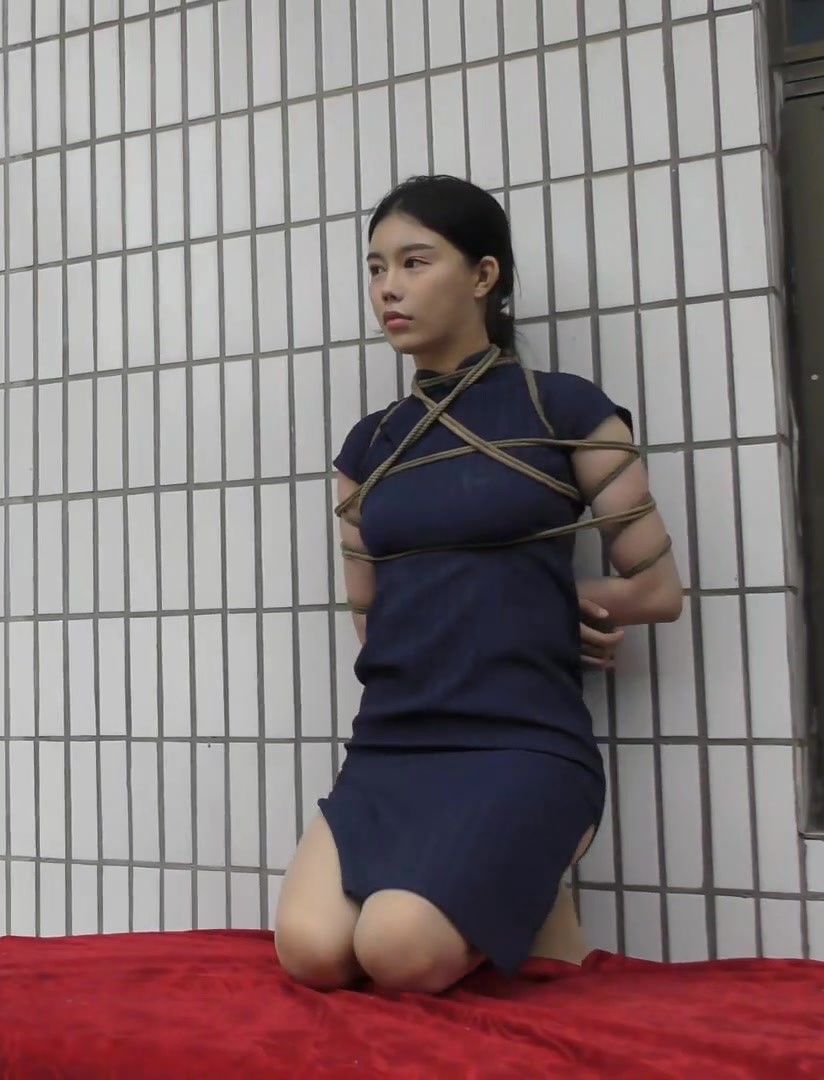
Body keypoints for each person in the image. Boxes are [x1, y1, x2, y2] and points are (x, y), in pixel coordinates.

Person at [273, 176, 685, 993]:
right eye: (375, 268)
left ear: (483, 276)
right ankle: (518, 900)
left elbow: (658, 590)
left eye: (414, 261)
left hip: (521, 740)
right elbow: (373, 618)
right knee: (311, 952)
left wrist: (545, 606)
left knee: (396, 951)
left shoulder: (566, 409)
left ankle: (533, 878)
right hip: (393, 742)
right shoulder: (368, 448)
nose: (388, 288)